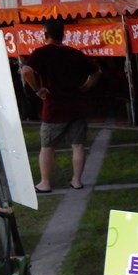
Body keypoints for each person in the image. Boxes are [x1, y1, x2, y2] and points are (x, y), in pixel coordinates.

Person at [22, 18, 101, 192]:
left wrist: (38, 89)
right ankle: (77, 180)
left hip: (54, 107)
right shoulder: (75, 53)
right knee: (78, 145)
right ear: (63, 34)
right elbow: (96, 72)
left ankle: (45, 182)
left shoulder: (41, 53)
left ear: (45, 34)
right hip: (77, 105)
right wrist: (85, 87)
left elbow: (26, 71)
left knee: (48, 147)